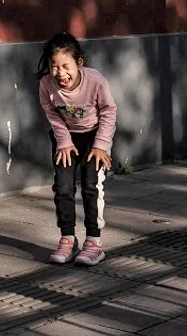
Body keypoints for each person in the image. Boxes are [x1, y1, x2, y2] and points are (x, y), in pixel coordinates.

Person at [37, 32, 116, 266]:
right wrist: (64, 141)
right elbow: (52, 114)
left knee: (92, 186)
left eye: (65, 66)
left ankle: (94, 242)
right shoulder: (46, 85)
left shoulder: (95, 81)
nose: (60, 73)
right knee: (63, 187)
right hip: (66, 139)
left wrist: (102, 145)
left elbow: (109, 112)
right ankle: (67, 239)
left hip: (94, 137)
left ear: (79, 63)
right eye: (54, 67)